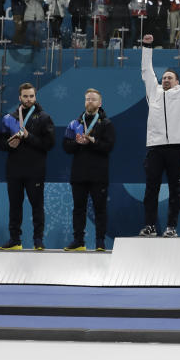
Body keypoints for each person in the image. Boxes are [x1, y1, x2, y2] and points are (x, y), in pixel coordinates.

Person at [138, 34, 180, 238]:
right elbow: (146, 71)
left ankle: (171, 226)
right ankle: (150, 225)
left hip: (176, 148)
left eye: (170, 77)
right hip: (155, 148)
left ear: (178, 82)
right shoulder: (153, 93)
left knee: (175, 189)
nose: (165, 79)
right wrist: (147, 46)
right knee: (151, 189)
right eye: (164, 78)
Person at [0, 83, 55, 251]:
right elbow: (1, 144)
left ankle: (38, 240)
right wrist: (10, 144)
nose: (28, 99)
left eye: (31, 96)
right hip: (14, 170)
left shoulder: (44, 117)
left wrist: (29, 137)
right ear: (19, 98)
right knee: (14, 206)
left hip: (35, 170)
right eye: (25, 96)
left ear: (35, 97)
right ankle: (15, 240)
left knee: (37, 206)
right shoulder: (9, 118)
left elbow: (49, 144)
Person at [63, 89, 115, 251]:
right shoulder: (75, 123)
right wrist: (77, 144)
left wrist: (92, 141)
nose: (89, 102)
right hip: (79, 174)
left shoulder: (107, 124)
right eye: (87, 99)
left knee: (100, 209)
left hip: (98, 175)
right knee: (78, 209)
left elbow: (108, 147)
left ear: (100, 103)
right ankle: (79, 241)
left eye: (93, 99)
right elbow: (66, 146)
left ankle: (100, 242)